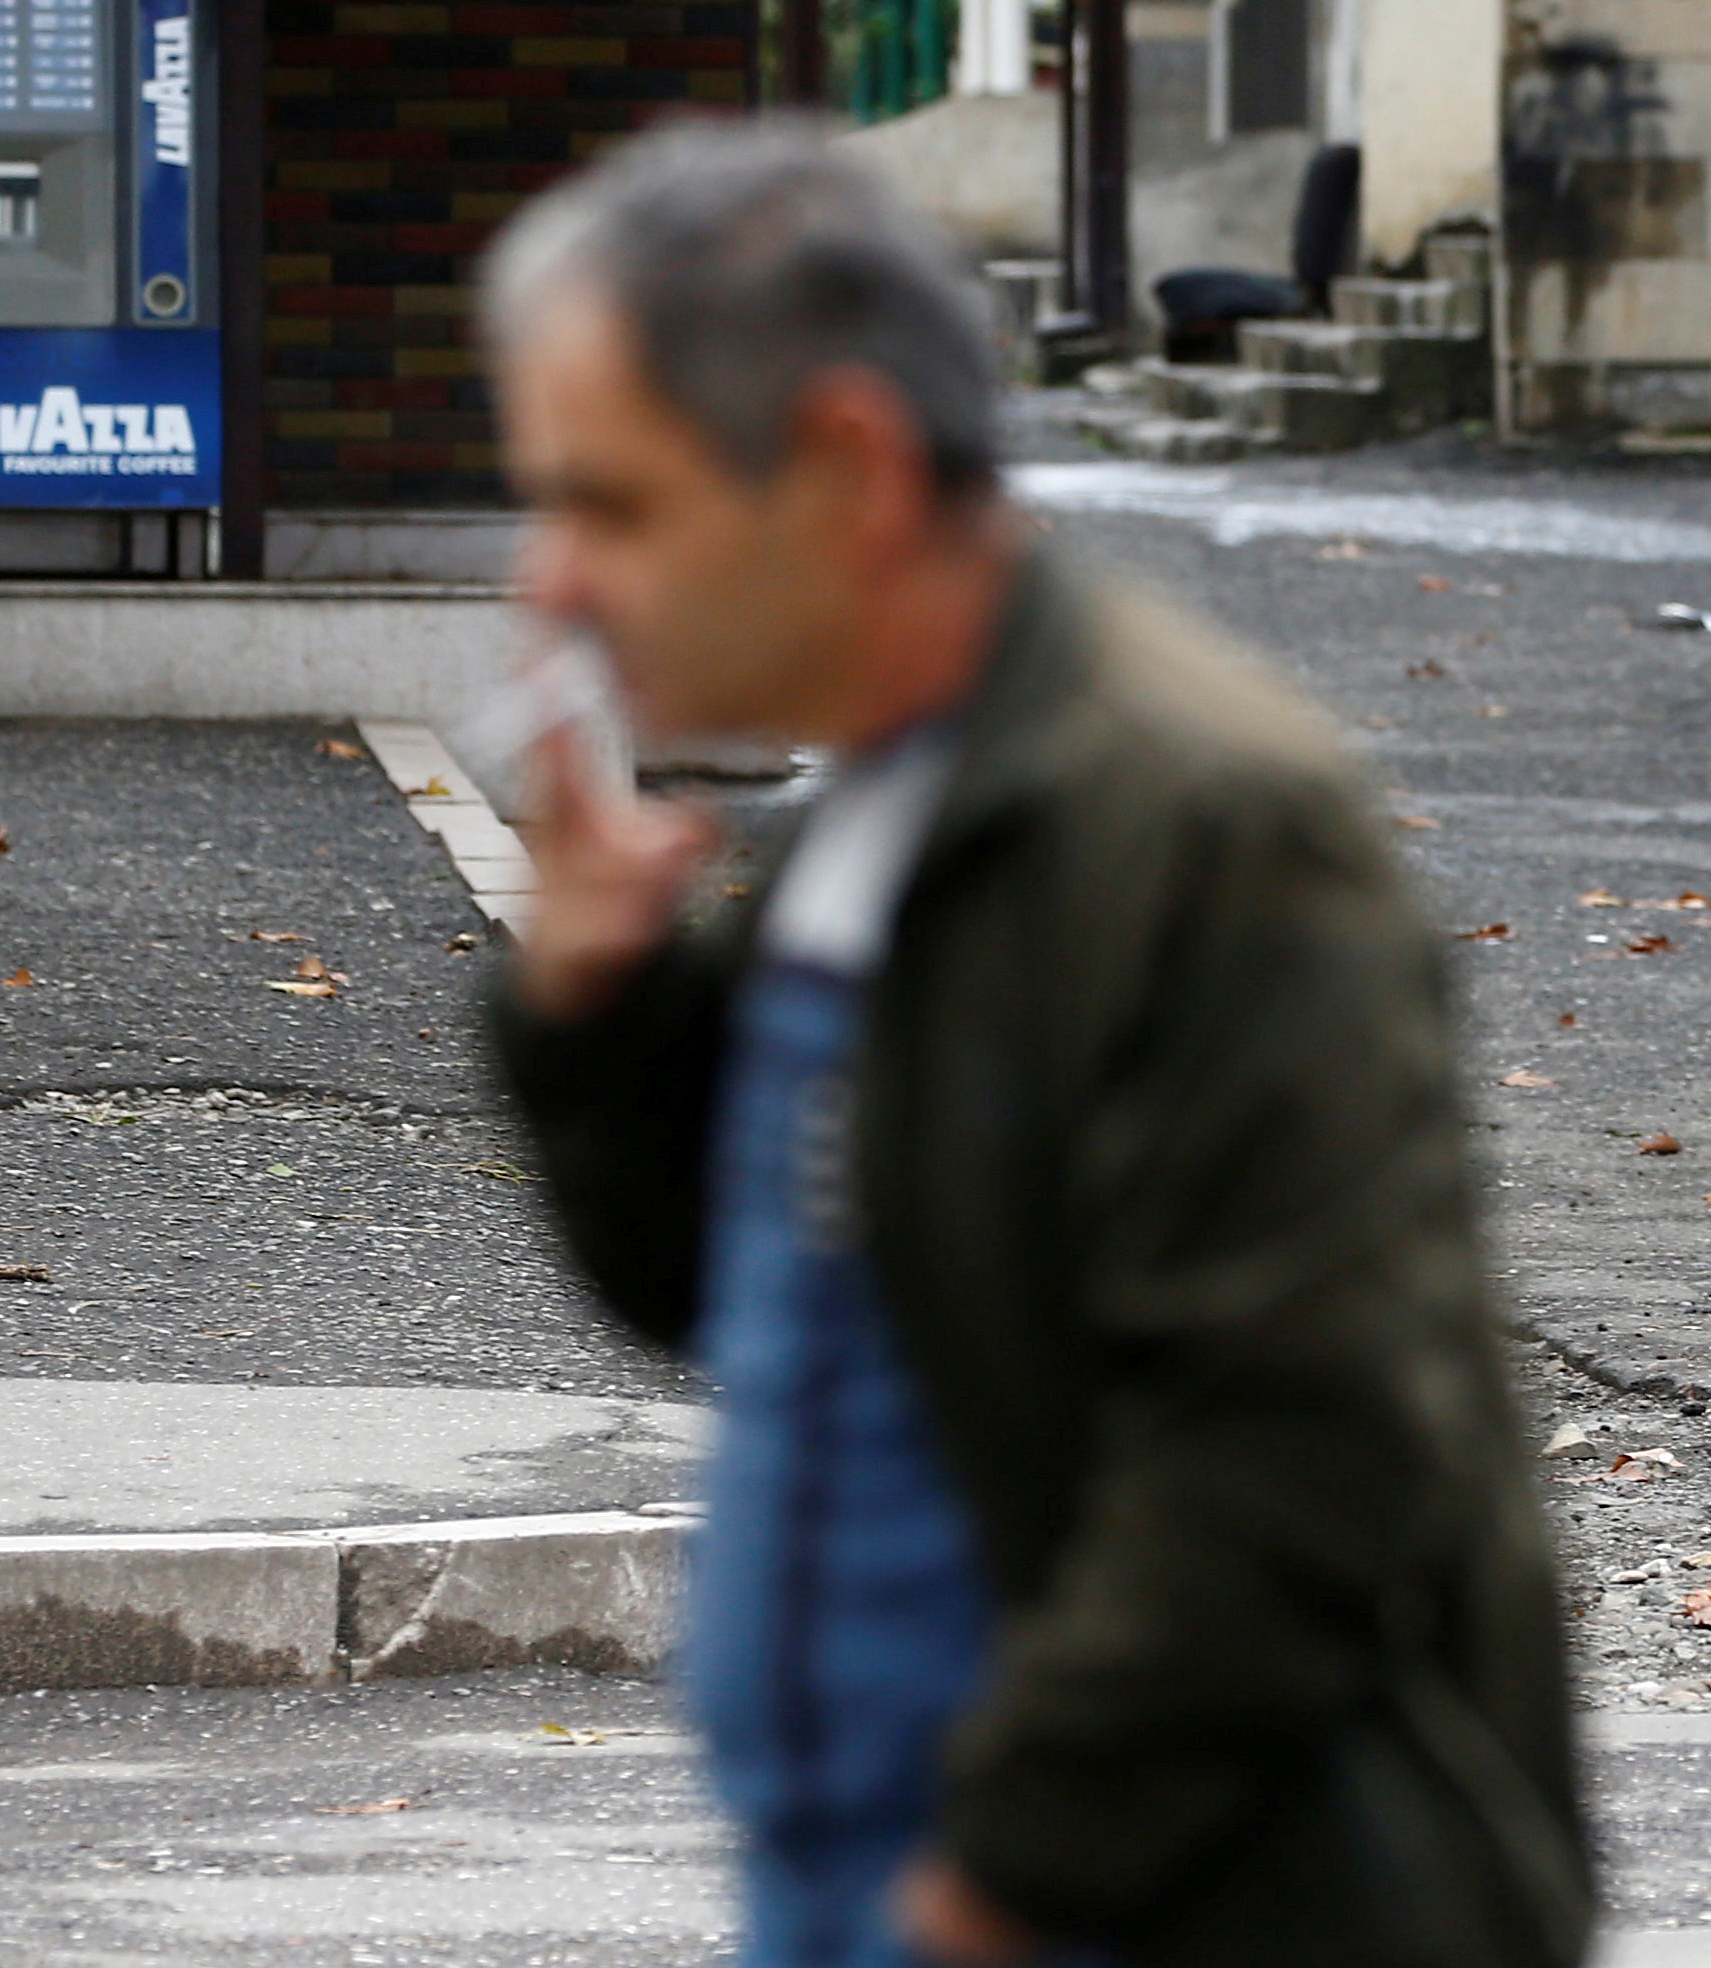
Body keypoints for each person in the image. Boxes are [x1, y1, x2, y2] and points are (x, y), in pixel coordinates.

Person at [481, 118, 1589, 1968]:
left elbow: (1306, 1455)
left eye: (610, 505)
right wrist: (592, 1017)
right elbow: (741, 1294)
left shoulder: (1200, 825)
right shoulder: (874, 823)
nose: (550, 582)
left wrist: (1004, 1881)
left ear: (843, 464)